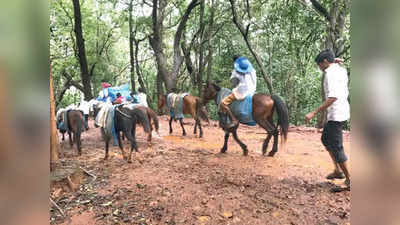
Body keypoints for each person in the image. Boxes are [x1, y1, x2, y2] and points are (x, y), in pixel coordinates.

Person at [305, 49, 350, 192]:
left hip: (336, 113)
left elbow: (333, 97)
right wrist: (335, 61)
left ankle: (350, 179)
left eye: (319, 64)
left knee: (337, 147)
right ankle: (337, 171)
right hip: (340, 111)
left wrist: (314, 112)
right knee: (325, 139)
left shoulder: (330, 74)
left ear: (325, 62)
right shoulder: (339, 69)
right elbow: (335, 63)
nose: (319, 68)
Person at [219, 55, 257, 128]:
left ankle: (234, 119)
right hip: (252, 90)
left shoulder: (235, 72)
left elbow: (234, 84)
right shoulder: (253, 70)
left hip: (242, 92)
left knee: (223, 103)